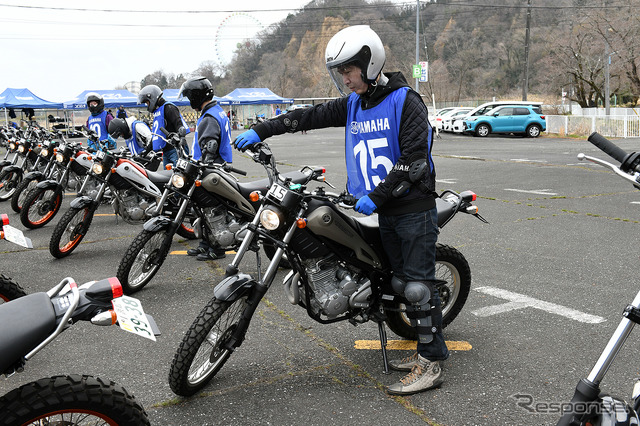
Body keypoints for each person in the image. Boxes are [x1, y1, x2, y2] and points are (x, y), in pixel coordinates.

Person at [234, 25, 447, 395]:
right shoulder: (353, 104)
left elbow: (414, 163)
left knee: (416, 289)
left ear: (370, 61)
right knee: (394, 283)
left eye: (349, 69)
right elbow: (308, 117)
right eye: (340, 72)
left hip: (411, 210)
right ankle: (421, 349)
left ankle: (431, 363)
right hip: (376, 213)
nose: (344, 78)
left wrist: (378, 195)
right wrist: (264, 129)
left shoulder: (405, 100)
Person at [178, 76, 233, 261]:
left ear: (196, 96)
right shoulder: (215, 111)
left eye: (189, 97)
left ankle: (216, 249)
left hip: (211, 169)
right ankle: (205, 244)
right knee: (203, 209)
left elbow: (210, 145)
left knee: (212, 210)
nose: (188, 100)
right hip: (216, 166)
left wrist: (202, 166)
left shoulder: (209, 117)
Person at [138, 85, 190, 167]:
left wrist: (180, 139)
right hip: (166, 151)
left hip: (175, 150)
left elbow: (179, 125)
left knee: (179, 177)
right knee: (167, 177)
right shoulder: (158, 112)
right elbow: (156, 135)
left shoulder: (169, 107)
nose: (147, 105)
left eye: (147, 102)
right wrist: (146, 151)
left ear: (152, 98)